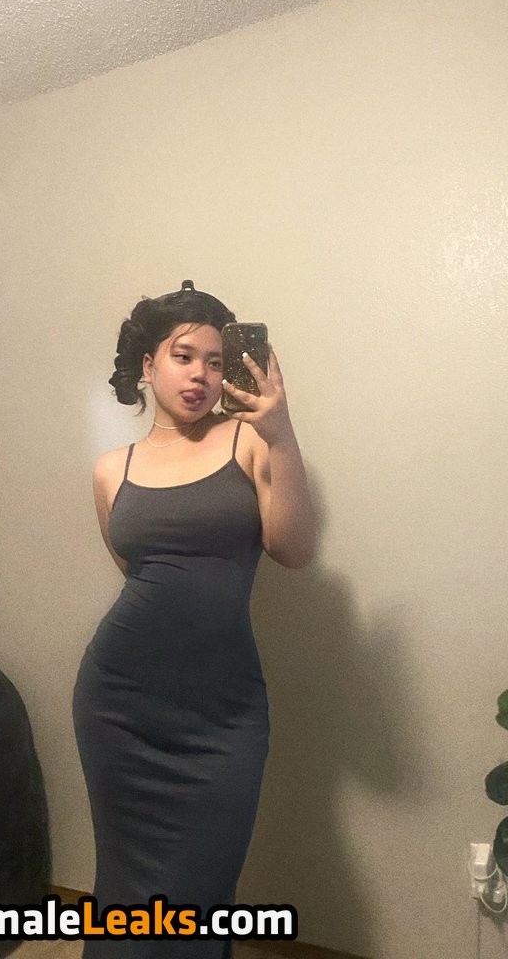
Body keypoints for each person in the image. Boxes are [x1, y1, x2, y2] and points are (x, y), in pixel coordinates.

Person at [72, 280, 316, 957]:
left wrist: (281, 431)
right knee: (125, 890)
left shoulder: (250, 442)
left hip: (222, 712)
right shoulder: (111, 469)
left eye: (213, 360)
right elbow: (140, 576)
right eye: (183, 357)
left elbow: (294, 549)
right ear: (148, 365)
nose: (200, 375)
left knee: (201, 895)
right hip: (118, 706)